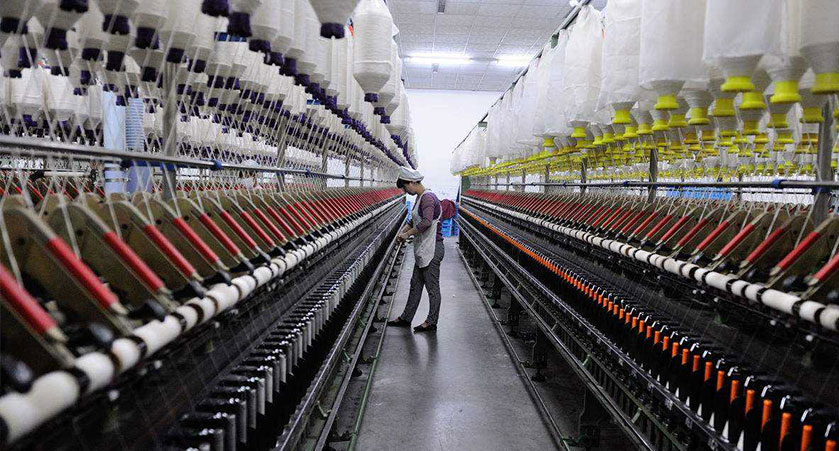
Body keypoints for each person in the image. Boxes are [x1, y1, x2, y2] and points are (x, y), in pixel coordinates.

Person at [388, 166, 444, 333]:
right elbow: (413, 221)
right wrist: (403, 231)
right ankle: (406, 318)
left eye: (405, 187)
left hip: (432, 248)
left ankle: (432, 322)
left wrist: (407, 234)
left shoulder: (428, 198)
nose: (405, 191)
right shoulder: (420, 198)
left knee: (432, 288)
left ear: (412, 182)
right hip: (424, 248)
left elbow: (426, 222)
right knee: (415, 284)